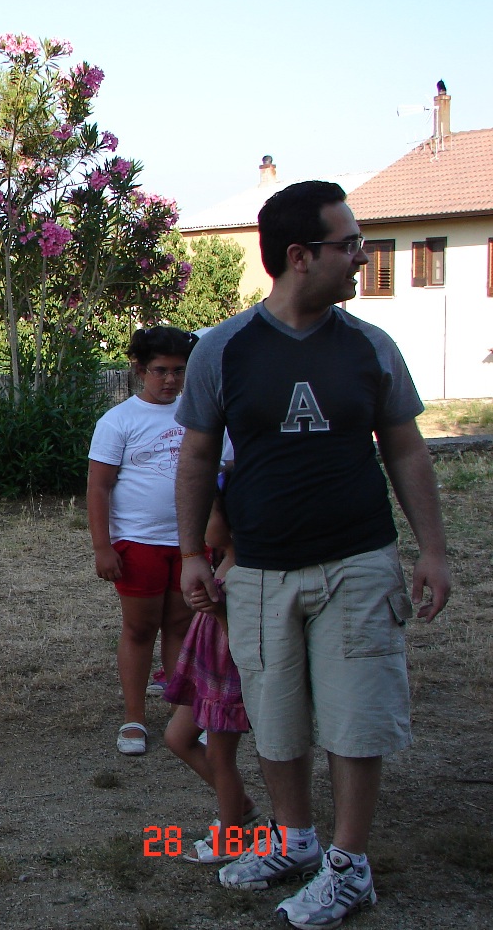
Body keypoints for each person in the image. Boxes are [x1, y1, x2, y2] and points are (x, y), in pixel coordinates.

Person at [175, 181, 451, 929]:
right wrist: (192, 552)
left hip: (358, 562)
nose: (361, 257)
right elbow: (197, 456)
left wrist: (432, 549)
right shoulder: (223, 349)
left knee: (357, 716)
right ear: (300, 256)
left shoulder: (370, 346)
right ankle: (295, 841)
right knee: (275, 715)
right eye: (349, 244)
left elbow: (406, 449)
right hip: (260, 570)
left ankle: (349, 866)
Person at [87, 326, 198, 756]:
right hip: (138, 542)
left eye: (178, 371)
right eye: (160, 370)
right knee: (139, 628)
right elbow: (98, 487)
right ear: (139, 370)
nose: (170, 380)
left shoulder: (198, 413)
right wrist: (103, 547)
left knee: (181, 626)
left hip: (189, 543)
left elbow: (220, 470)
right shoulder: (119, 421)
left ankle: (182, 716)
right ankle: (134, 716)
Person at [163, 469, 259, 864]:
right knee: (177, 737)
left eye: (209, 514)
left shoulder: (245, 574)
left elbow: (245, 642)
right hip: (207, 672)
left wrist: (218, 611)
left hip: (228, 680)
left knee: (221, 759)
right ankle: (240, 807)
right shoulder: (219, 560)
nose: (200, 524)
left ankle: (231, 836)